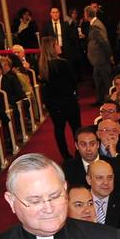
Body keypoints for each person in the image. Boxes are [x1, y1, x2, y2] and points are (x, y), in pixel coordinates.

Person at [38, 35, 80, 163]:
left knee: (59, 128)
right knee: (76, 128)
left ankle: (65, 155)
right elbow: (74, 81)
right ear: (52, 48)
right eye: (57, 44)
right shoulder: (63, 63)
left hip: (54, 104)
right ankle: (79, 152)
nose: (59, 46)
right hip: (68, 101)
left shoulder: (42, 66)